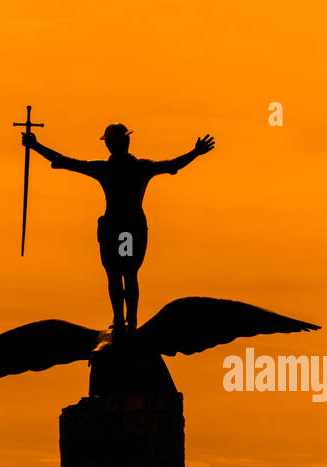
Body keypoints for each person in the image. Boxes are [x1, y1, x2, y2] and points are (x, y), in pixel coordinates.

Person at [21, 124, 215, 334]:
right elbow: (172, 165)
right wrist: (195, 153)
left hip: (118, 228)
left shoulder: (112, 169)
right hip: (127, 228)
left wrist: (35, 146)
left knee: (119, 274)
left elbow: (65, 162)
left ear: (113, 145)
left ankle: (125, 320)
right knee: (125, 274)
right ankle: (126, 321)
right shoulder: (137, 168)